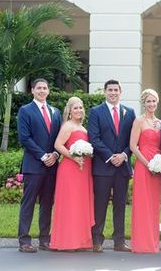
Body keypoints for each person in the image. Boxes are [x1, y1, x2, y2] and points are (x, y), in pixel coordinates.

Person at [88, 79, 136, 253]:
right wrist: (110, 156)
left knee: (120, 205)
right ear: (105, 92)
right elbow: (94, 138)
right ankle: (97, 240)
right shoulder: (95, 112)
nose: (113, 93)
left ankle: (119, 242)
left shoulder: (129, 112)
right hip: (103, 167)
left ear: (120, 92)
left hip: (122, 167)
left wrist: (124, 155)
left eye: (116, 90)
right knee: (100, 205)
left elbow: (133, 139)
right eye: (110, 90)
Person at [17, 78, 62, 253]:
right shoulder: (25, 110)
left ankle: (45, 239)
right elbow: (24, 138)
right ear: (33, 90)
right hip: (33, 166)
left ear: (48, 91)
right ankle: (24, 240)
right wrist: (43, 156)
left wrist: (56, 154)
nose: (42, 91)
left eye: (45, 88)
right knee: (28, 203)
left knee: (47, 203)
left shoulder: (55, 112)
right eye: (39, 88)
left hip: (52, 166)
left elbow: (59, 138)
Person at [50, 97, 95, 251]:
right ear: (69, 111)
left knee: (80, 203)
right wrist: (73, 157)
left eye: (81, 107)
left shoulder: (83, 128)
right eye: (75, 108)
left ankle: (80, 241)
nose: (79, 110)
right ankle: (67, 241)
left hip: (84, 170)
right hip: (70, 169)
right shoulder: (68, 126)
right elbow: (58, 145)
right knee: (70, 204)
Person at [130, 89, 161, 253]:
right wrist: (147, 163)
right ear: (144, 103)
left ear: (157, 102)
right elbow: (133, 146)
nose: (151, 104)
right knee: (142, 203)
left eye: (153, 101)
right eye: (148, 101)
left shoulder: (160, 122)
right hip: (144, 165)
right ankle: (141, 243)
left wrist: (160, 164)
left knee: (154, 205)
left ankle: (153, 242)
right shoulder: (139, 121)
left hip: (157, 166)